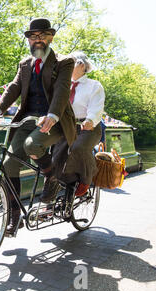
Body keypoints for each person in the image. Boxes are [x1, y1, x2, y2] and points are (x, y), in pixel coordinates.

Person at [0, 18, 77, 236]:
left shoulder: (64, 62)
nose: (37, 40)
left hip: (55, 120)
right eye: (33, 36)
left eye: (42, 35)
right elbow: (14, 88)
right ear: (29, 39)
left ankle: (51, 177)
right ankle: (15, 218)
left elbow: (63, 91)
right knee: (8, 165)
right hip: (26, 118)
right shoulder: (25, 63)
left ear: (51, 37)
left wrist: (52, 115)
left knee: (32, 144)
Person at [53, 51, 105, 196]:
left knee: (78, 147)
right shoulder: (63, 85)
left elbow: (96, 106)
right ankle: (66, 189)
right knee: (56, 160)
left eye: (71, 62)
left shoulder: (94, 86)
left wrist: (90, 120)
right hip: (67, 126)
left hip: (89, 128)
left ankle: (87, 178)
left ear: (81, 65)